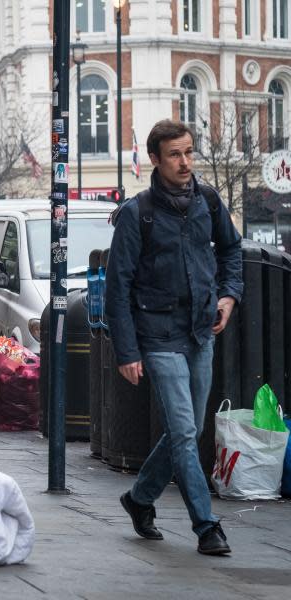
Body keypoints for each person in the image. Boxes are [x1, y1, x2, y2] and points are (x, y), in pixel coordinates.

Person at [106, 119, 243, 556]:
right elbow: (118, 287)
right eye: (175, 155)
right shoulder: (136, 213)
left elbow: (231, 249)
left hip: (202, 330)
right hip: (158, 335)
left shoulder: (208, 199)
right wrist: (127, 351)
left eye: (188, 152)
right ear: (155, 160)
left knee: (189, 429)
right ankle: (206, 527)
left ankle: (140, 498)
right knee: (184, 432)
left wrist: (229, 296)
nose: (185, 162)